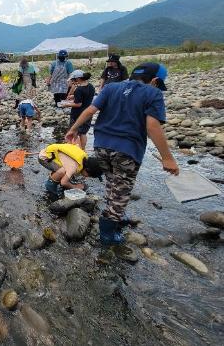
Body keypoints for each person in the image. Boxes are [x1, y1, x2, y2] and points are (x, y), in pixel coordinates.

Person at [66, 63, 179, 260]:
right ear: (155, 81)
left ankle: (115, 213)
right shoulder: (153, 94)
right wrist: (167, 158)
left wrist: (73, 129)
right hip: (127, 150)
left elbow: (90, 111)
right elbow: (152, 126)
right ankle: (108, 233)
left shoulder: (111, 87)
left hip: (101, 145)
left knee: (112, 181)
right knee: (121, 188)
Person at [38, 143, 104, 198]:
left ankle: (65, 178)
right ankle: (50, 184)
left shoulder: (84, 157)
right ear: (87, 169)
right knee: (63, 172)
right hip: (44, 157)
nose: (87, 177)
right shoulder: (73, 167)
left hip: (53, 152)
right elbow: (63, 182)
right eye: (89, 175)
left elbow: (75, 145)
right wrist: (75, 187)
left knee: (68, 172)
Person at [61, 71, 95, 150]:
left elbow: (78, 104)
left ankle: (74, 150)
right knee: (83, 133)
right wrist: (73, 96)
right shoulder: (91, 86)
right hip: (88, 112)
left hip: (78, 114)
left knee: (74, 132)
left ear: (78, 78)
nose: (73, 81)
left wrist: (66, 104)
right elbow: (86, 97)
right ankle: (83, 150)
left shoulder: (79, 89)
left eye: (74, 79)